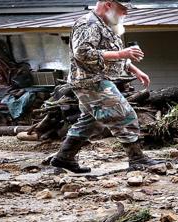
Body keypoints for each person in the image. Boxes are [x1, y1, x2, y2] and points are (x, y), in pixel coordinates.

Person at [43, 0, 165, 173]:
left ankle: (64, 158)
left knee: (91, 121)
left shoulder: (105, 25)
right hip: (91, 81)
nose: (126, 13)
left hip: (94, 80)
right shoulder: (88, 24)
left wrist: (135, 69)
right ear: (109, 4)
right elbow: (82, 53)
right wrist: (121, 53)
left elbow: (111, 54)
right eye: (123, 9)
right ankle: (137, 159)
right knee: (125, 115)